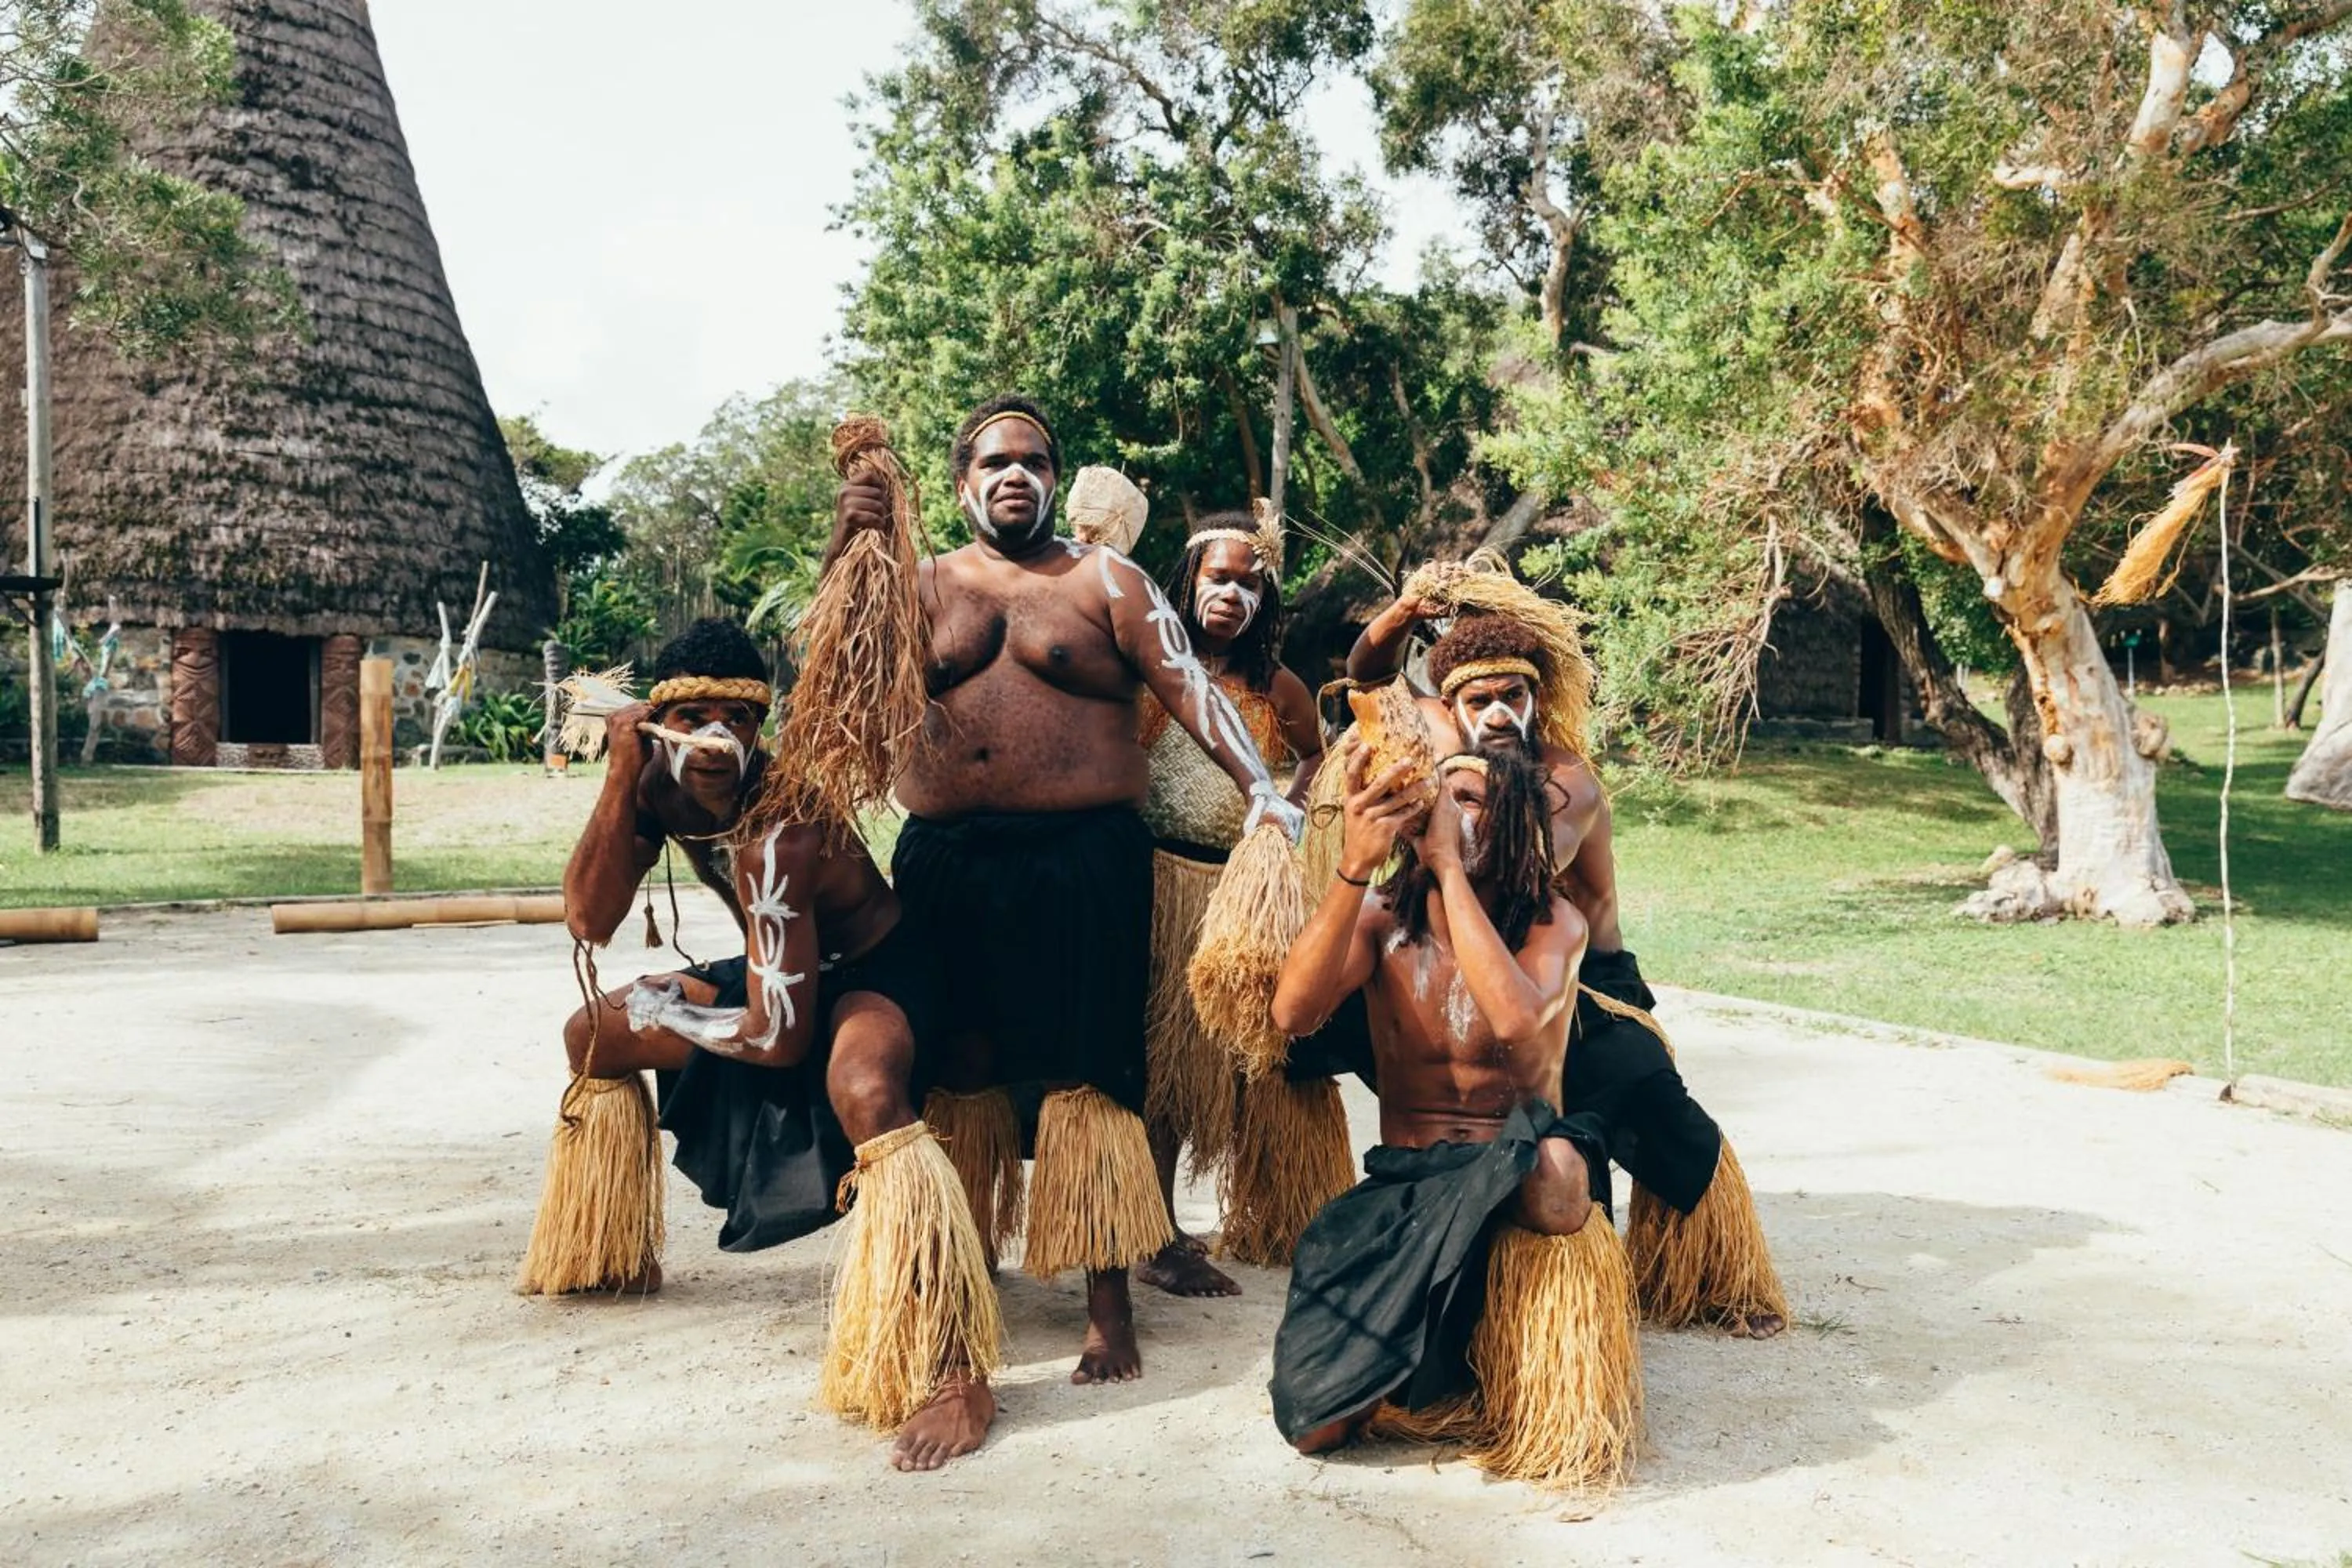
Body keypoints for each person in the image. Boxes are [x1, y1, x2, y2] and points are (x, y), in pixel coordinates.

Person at [833, 394, 1301, 1385]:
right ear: (962, 484)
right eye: (995, 460)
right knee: (959, 1066)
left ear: (1054, 478)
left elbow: (1192, 688)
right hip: (949, 861)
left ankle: (1106, 1303)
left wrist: (1263, 788)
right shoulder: (916, 588)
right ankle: (964, 1270)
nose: (1016, 474)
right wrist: (852, 544)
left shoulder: (1107, 581)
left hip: (1086, 858)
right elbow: (835, 683)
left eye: (1035, 460)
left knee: (1096, 1069)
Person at [515, 618, 998, 1473]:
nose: (713, 739)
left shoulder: (783, 826)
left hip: (879, 969)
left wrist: (676, 1014)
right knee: (592, 1034)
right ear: (656, 724)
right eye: (692, 715)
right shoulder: (654, 783)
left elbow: (777, 1039)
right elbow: (591, 921)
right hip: (781, 966)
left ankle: (956, 1364)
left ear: (759, 725)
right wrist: (622, 776)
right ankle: (603, 1250)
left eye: (735, 719)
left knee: (863, 1087)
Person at [1348, 593, 1788, 1338]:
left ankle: (1715, 1276)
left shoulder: (1568, 781)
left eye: (1512, 696)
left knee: (1648, 1102)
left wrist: (1446, 830)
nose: (1496, 714)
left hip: (1588, 979)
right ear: (1451, 707)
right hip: (1482, 958)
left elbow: (1514, 873)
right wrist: (1407, 609)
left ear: (1536, 697)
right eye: (1478, 700)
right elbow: (1366, 676)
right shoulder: (1442, 734)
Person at [1264, 743, 1642, 1490]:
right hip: (1410, 1180)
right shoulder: (1381, 919)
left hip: (1516, 1158)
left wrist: (1446, 872)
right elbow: (1291, 1013)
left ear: (1512, 820)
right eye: (1441, 796)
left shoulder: (1551, 921)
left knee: (1562, 1175)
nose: (1446, 809)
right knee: (1314, 1427)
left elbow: (1516, 1024)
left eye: (1468, 798)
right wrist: (1354, 864)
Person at [1133, 509, 1327, 1295]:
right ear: (1188, 579)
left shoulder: (1273, 685)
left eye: (1252, 583)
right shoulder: (1152, 670)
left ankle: (1263, 1211)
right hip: (1158, 884)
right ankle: (1154, 1231)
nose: (1235, 595)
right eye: (1221, 577)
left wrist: (1295, 807)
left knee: (1242, 1059)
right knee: (1167, 1067)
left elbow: (1316, 750)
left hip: (1240, 893)